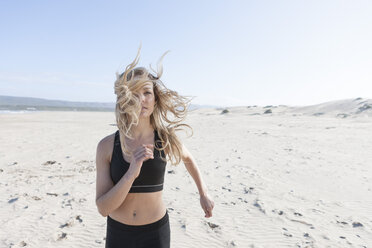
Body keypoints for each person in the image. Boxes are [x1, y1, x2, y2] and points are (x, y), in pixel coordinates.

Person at [95, 46, 215, 248]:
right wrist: (131, 173)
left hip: (156, 234)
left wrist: (203, 193)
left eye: (147, 92)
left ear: (155, 98)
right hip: (119, 233)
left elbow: (189, 160)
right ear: (124, 98)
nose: (142, 99)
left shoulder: (166, 140)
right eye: (134, 92)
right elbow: (103, 208)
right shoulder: (107, 146)